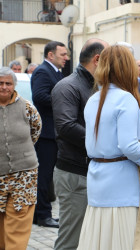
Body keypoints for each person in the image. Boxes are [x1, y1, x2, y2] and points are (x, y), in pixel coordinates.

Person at [77, 45, 140, 250]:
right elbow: (129, 146)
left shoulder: (93, 99)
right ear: (128, 68)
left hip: (98, 179)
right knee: (122, 240)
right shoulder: (125, 99)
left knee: (100, 240)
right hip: (123, 183)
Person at [51, 38, 108, 250]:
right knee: (71, 241)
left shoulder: (96, 85)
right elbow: (66, 127)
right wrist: (105, 142)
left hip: (93, 170)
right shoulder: (67, 86)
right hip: (74, 173)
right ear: (98, 59)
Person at [0, 67, 41, 249]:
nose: (4, 87)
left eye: (8, 83)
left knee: (19, 216)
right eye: (0, 83)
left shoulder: (26, 106)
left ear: (14, 85)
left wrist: (20, 152)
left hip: (24, 174)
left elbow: (36, 130)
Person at [31, 41, 68, 228]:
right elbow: (39, 97)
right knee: (43, 177)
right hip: (45, 134)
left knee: (47, 177)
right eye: (63, 54)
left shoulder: (56, 72)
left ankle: (40, 215)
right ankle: (43, 215)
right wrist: (64, 102)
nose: (66, 58)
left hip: (54, 133)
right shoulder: (42, 71)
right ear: (51, 55)